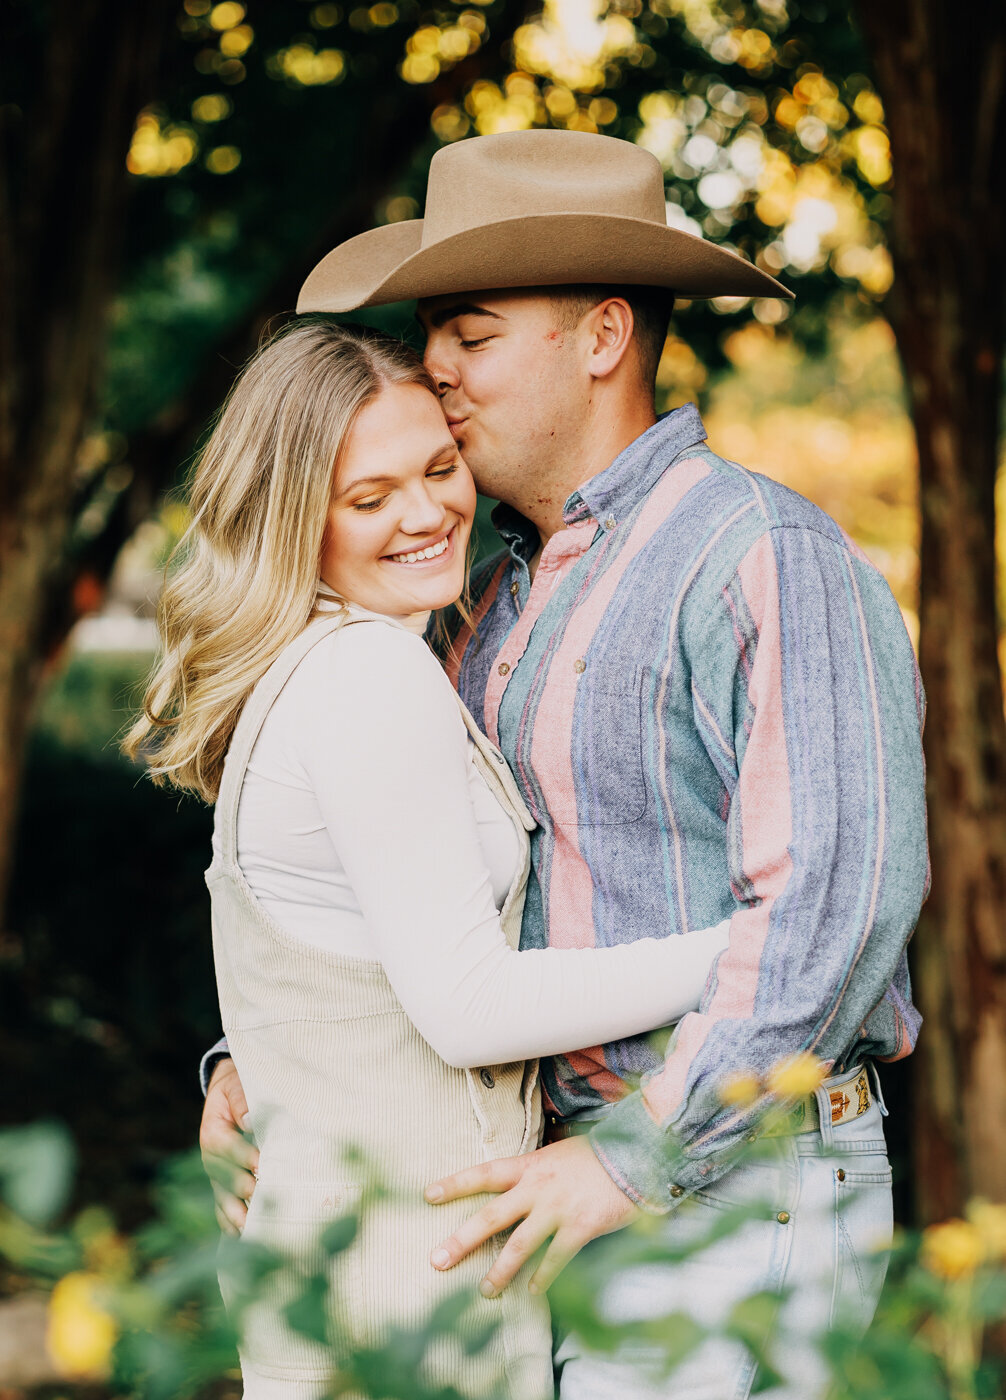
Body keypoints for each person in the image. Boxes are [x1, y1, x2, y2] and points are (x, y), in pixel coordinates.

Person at [203, 130, 929, 1396]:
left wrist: (627, 1161)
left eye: (470, 332)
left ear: (600, 338)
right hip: (545, 1180)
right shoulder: (482, 602)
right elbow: (406, 901)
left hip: (727, 1177)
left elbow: (842, 905)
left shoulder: (762, 556)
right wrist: (259, 1061)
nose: (433, 364)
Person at [126, 316, 734, 1398]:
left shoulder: (309, 666)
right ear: (290, 518)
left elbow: (339, 967)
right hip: (411, 1268)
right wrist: (738, 952)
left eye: (441, 468)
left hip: (335, 1255)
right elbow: (466, 1000)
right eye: (369, 498)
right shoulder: (368, 676)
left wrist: (235, 1068)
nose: (425, 513)